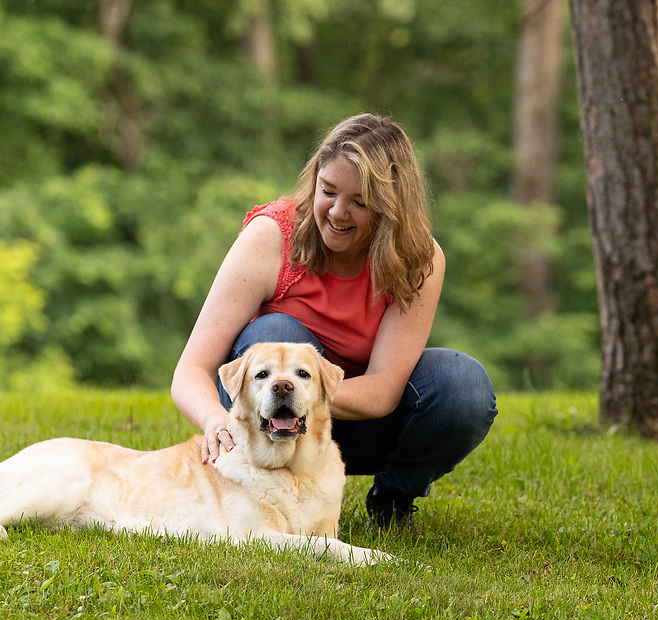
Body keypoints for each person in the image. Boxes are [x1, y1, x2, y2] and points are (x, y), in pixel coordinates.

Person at [171, 113, 497, 529]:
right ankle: (261, 495)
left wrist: (305, 394)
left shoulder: (420, 259)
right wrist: (216, 419)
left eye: (360, 202)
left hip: (356, 424)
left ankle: (393, 498)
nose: (338, 212)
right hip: (264, 421)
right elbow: (191, 370)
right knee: (277, 336)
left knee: (463, 384)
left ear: (391, 209)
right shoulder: (272, 236)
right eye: (328, 191)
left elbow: (382, 390)